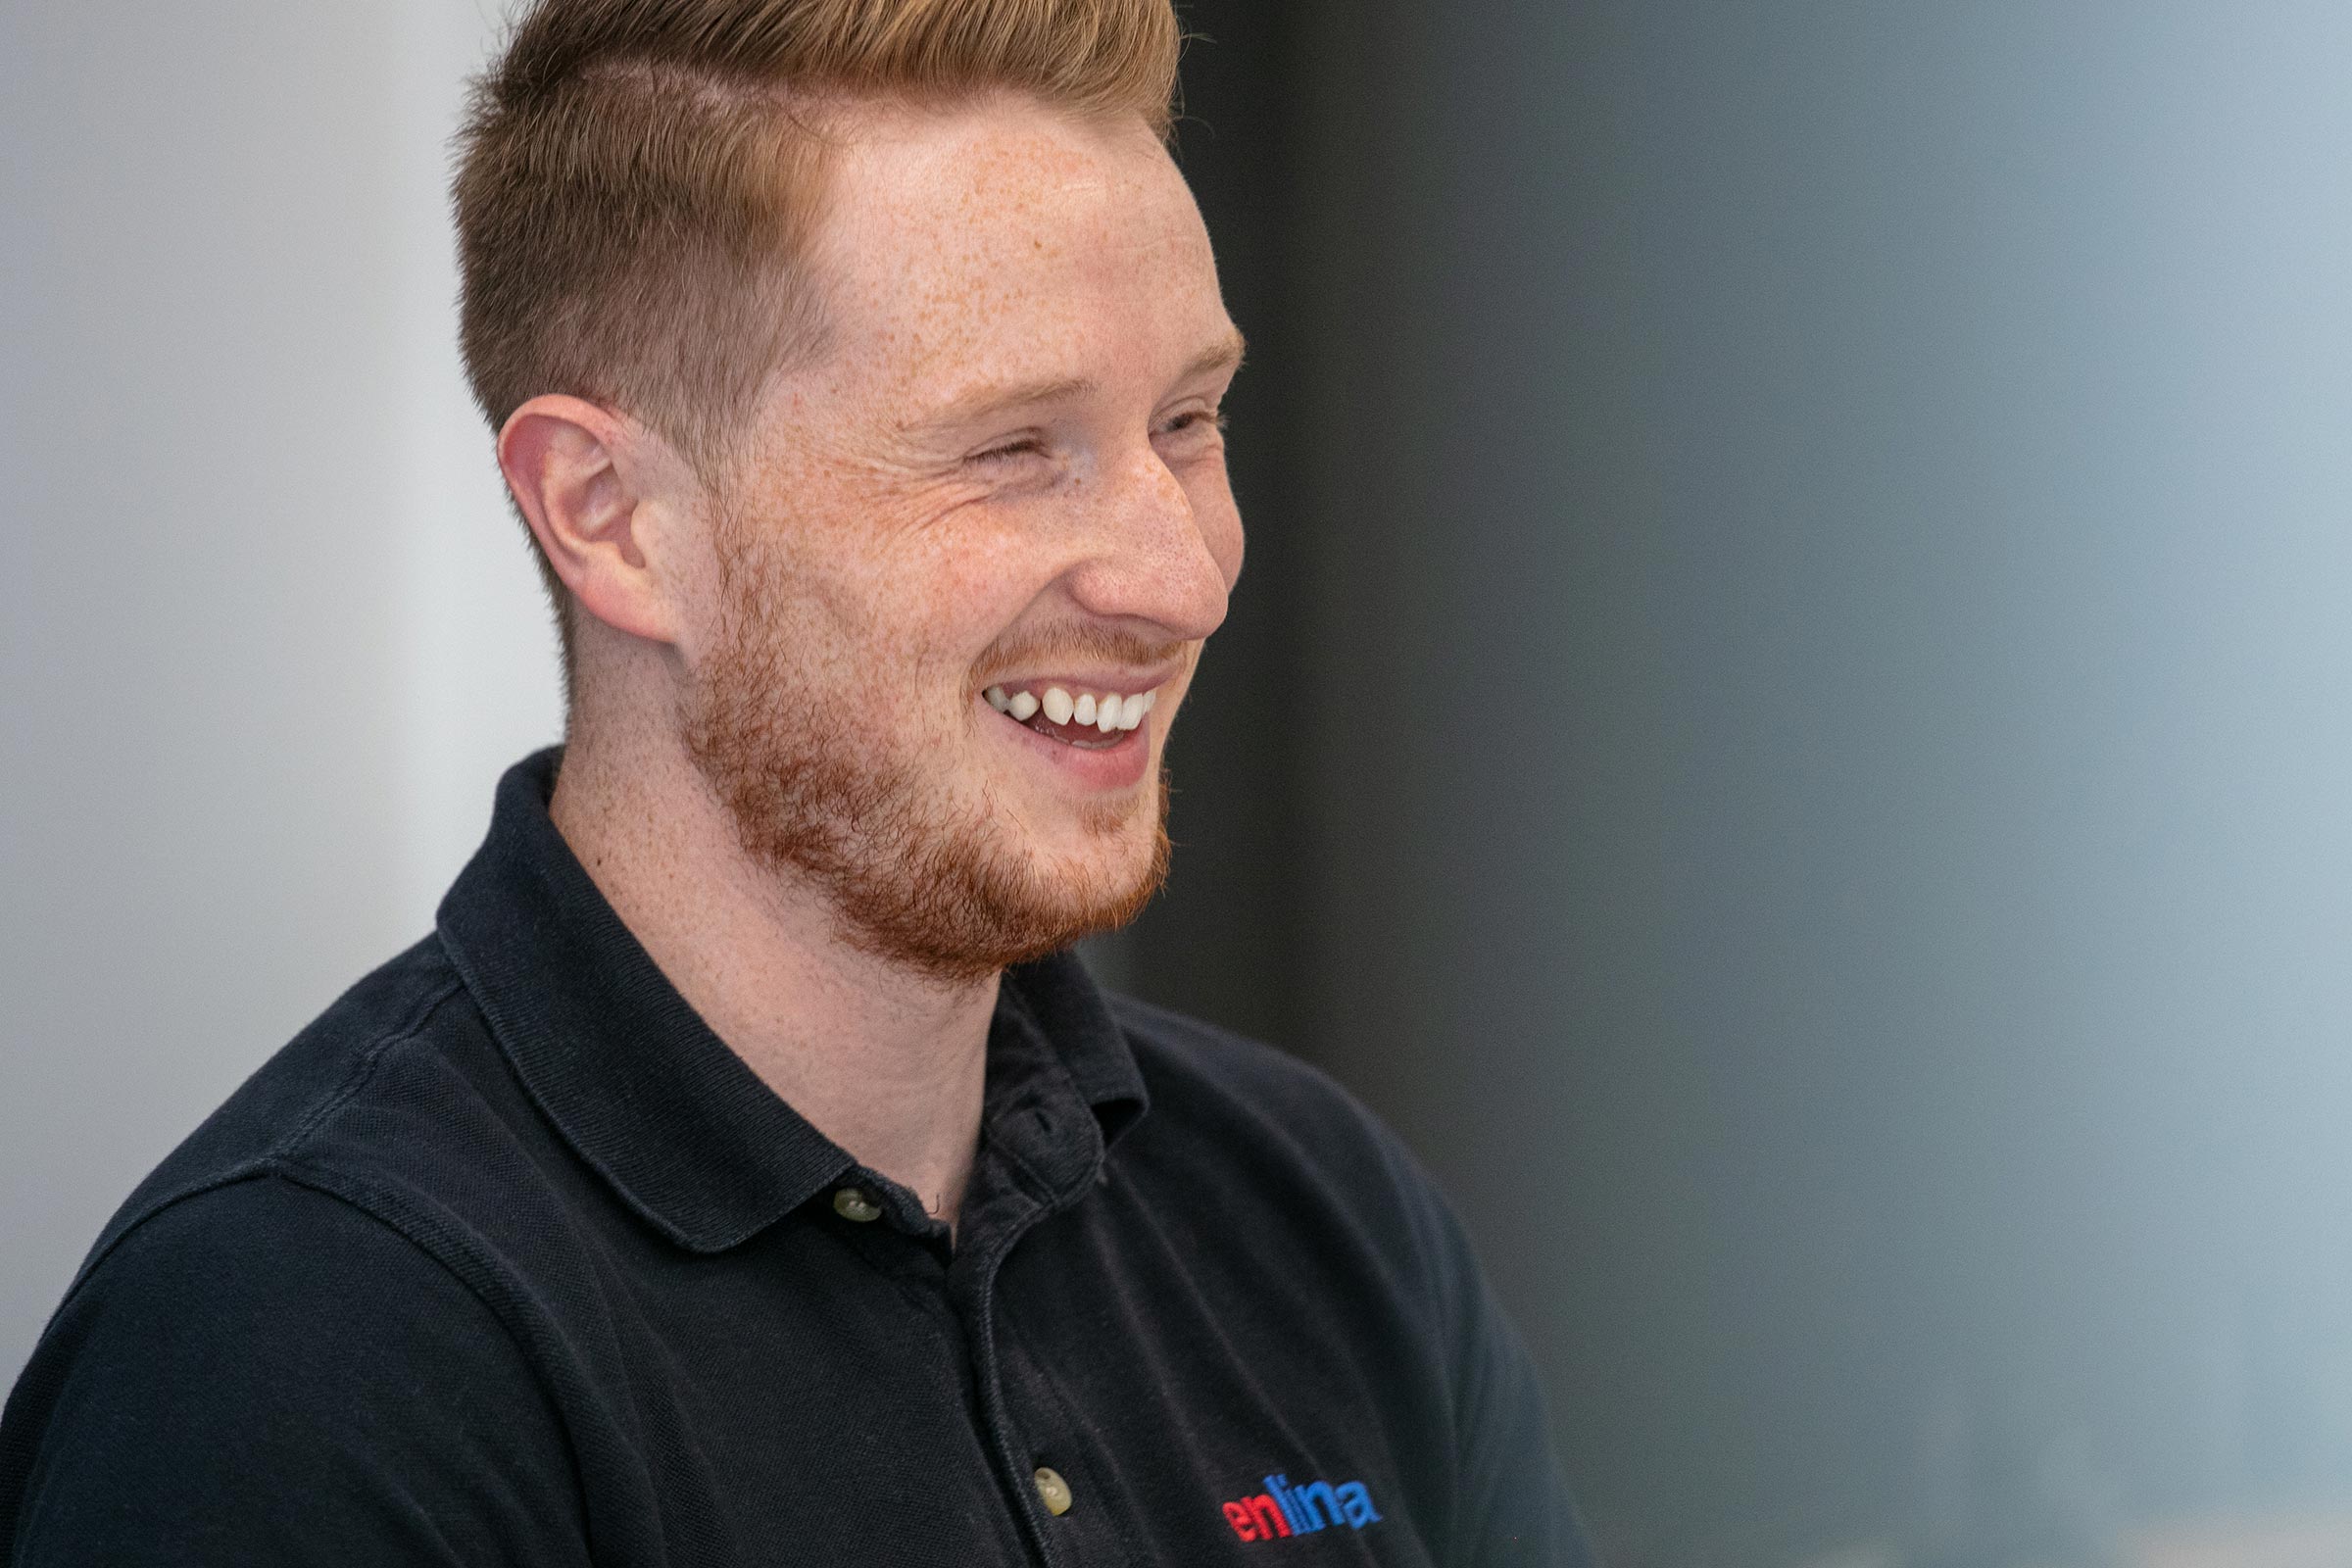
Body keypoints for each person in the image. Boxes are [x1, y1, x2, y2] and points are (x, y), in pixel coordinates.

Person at [0, 1, 1589, 1561]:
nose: (1182, 580)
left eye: (1187, 421)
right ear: (612, 515)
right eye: (1012, 449)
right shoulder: (302, 1353)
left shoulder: (1320, 1219)